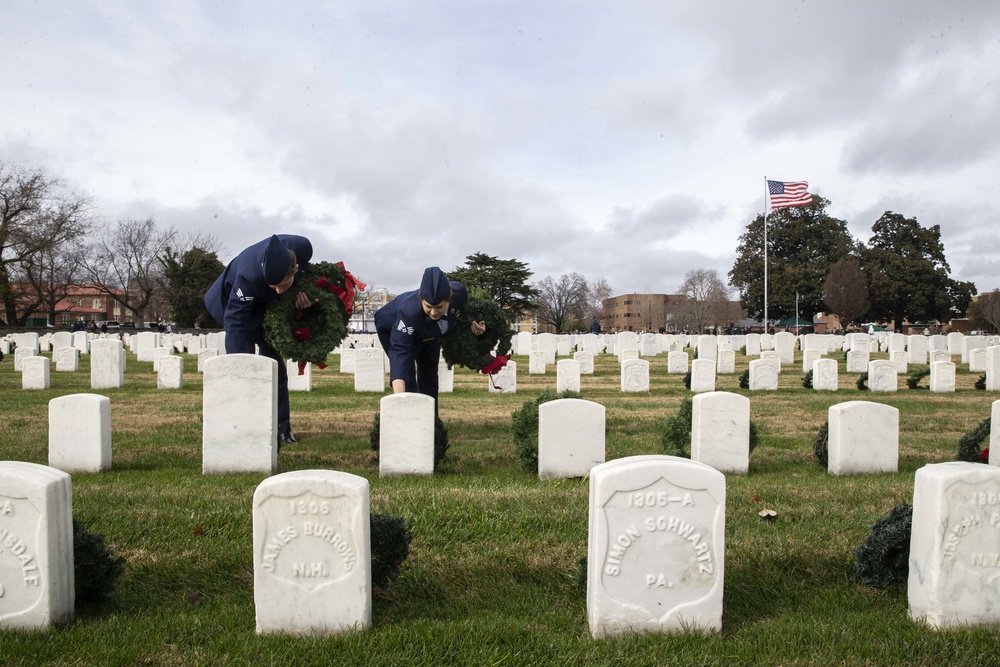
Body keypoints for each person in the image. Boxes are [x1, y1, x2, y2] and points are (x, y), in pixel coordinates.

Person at [203, 234, 314, 446]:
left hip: (266, 307)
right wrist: (238, 365)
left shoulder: (303, 247)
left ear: (296, 268)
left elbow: (305, 280)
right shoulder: (248, 278)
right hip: (233, 304)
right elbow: (236, 322)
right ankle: (240, 422)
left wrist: (302, 294)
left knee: (274, 365)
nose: (280, 291)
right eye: (274, 287)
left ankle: (283, 428)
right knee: (246, 366)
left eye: (283, 284)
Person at [374, 267, 485, 408]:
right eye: (428, 306)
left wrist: (477, 322)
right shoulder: (408, 312)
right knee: (407, 376)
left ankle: (432, 421)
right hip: (391, 327)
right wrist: (399, 399)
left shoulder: (460, 293)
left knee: (430, 375)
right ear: (421, 299)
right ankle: (408, 416)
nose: (433, 313)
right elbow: (399, 353)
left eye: (439, 307)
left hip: (430, 333)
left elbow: (472, 308)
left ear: (449, 300)